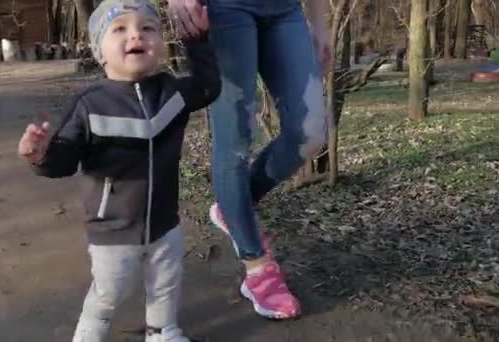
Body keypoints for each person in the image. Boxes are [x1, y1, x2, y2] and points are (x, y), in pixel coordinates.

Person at [17, 0, 220, 340]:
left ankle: (162, 330)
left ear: (160, 43)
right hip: (112, 229)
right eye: (120, 29)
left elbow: (209, 87)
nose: (135, 35)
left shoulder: (172, 91)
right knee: (110, 291)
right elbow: (63, 162)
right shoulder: (89, 105)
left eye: (148, 27)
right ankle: (88, 333)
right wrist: (40, 154)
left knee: (166, 280)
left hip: (164, 221)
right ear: (100, 50)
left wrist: (197, 39)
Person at [169, 0, 332, 319]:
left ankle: (231, 209)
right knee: (235, 140)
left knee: (310, 131)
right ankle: (256, 265)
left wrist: (319, 23)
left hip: (286, 10)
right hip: (226, 9)